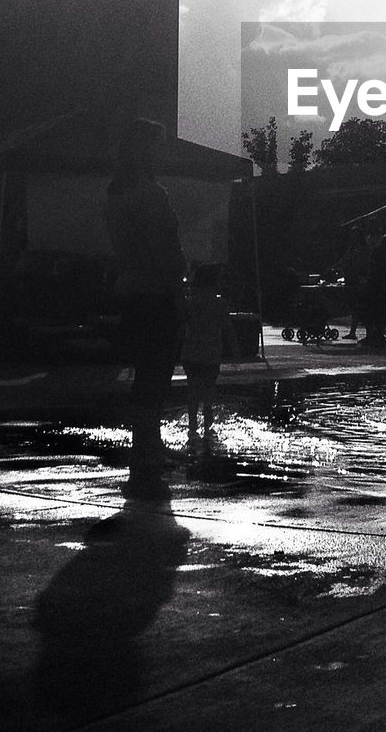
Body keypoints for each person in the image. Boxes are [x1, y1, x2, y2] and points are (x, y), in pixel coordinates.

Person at [104, 118, 188, 500]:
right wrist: (177, 282)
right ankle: (147, 449)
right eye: (158, 145)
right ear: (145, 151)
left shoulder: (116, 194)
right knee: (157, 372)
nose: (164, 151)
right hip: (157, 291)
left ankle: (146, 445)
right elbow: (165, 248)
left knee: (145, 373)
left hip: (132, 289)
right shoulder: (152, 195)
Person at [182, 265, 238, 449]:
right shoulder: (219, 304)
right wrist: (234, 348)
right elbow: (228, 328)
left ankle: (192, 426)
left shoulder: (190, 303)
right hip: (211, 352)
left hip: (191, 351)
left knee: (193, 389)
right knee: (208, 390)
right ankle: (208, 427)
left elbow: (180, 327)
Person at [336, 226, 370, 340]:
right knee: (354, 306)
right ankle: (353, 331)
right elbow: (344, 259)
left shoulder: (364, 249)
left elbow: (362, 262)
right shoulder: (351, 248)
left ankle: (367, 332)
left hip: (359, 279)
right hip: (351, 277)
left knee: (360, 305)